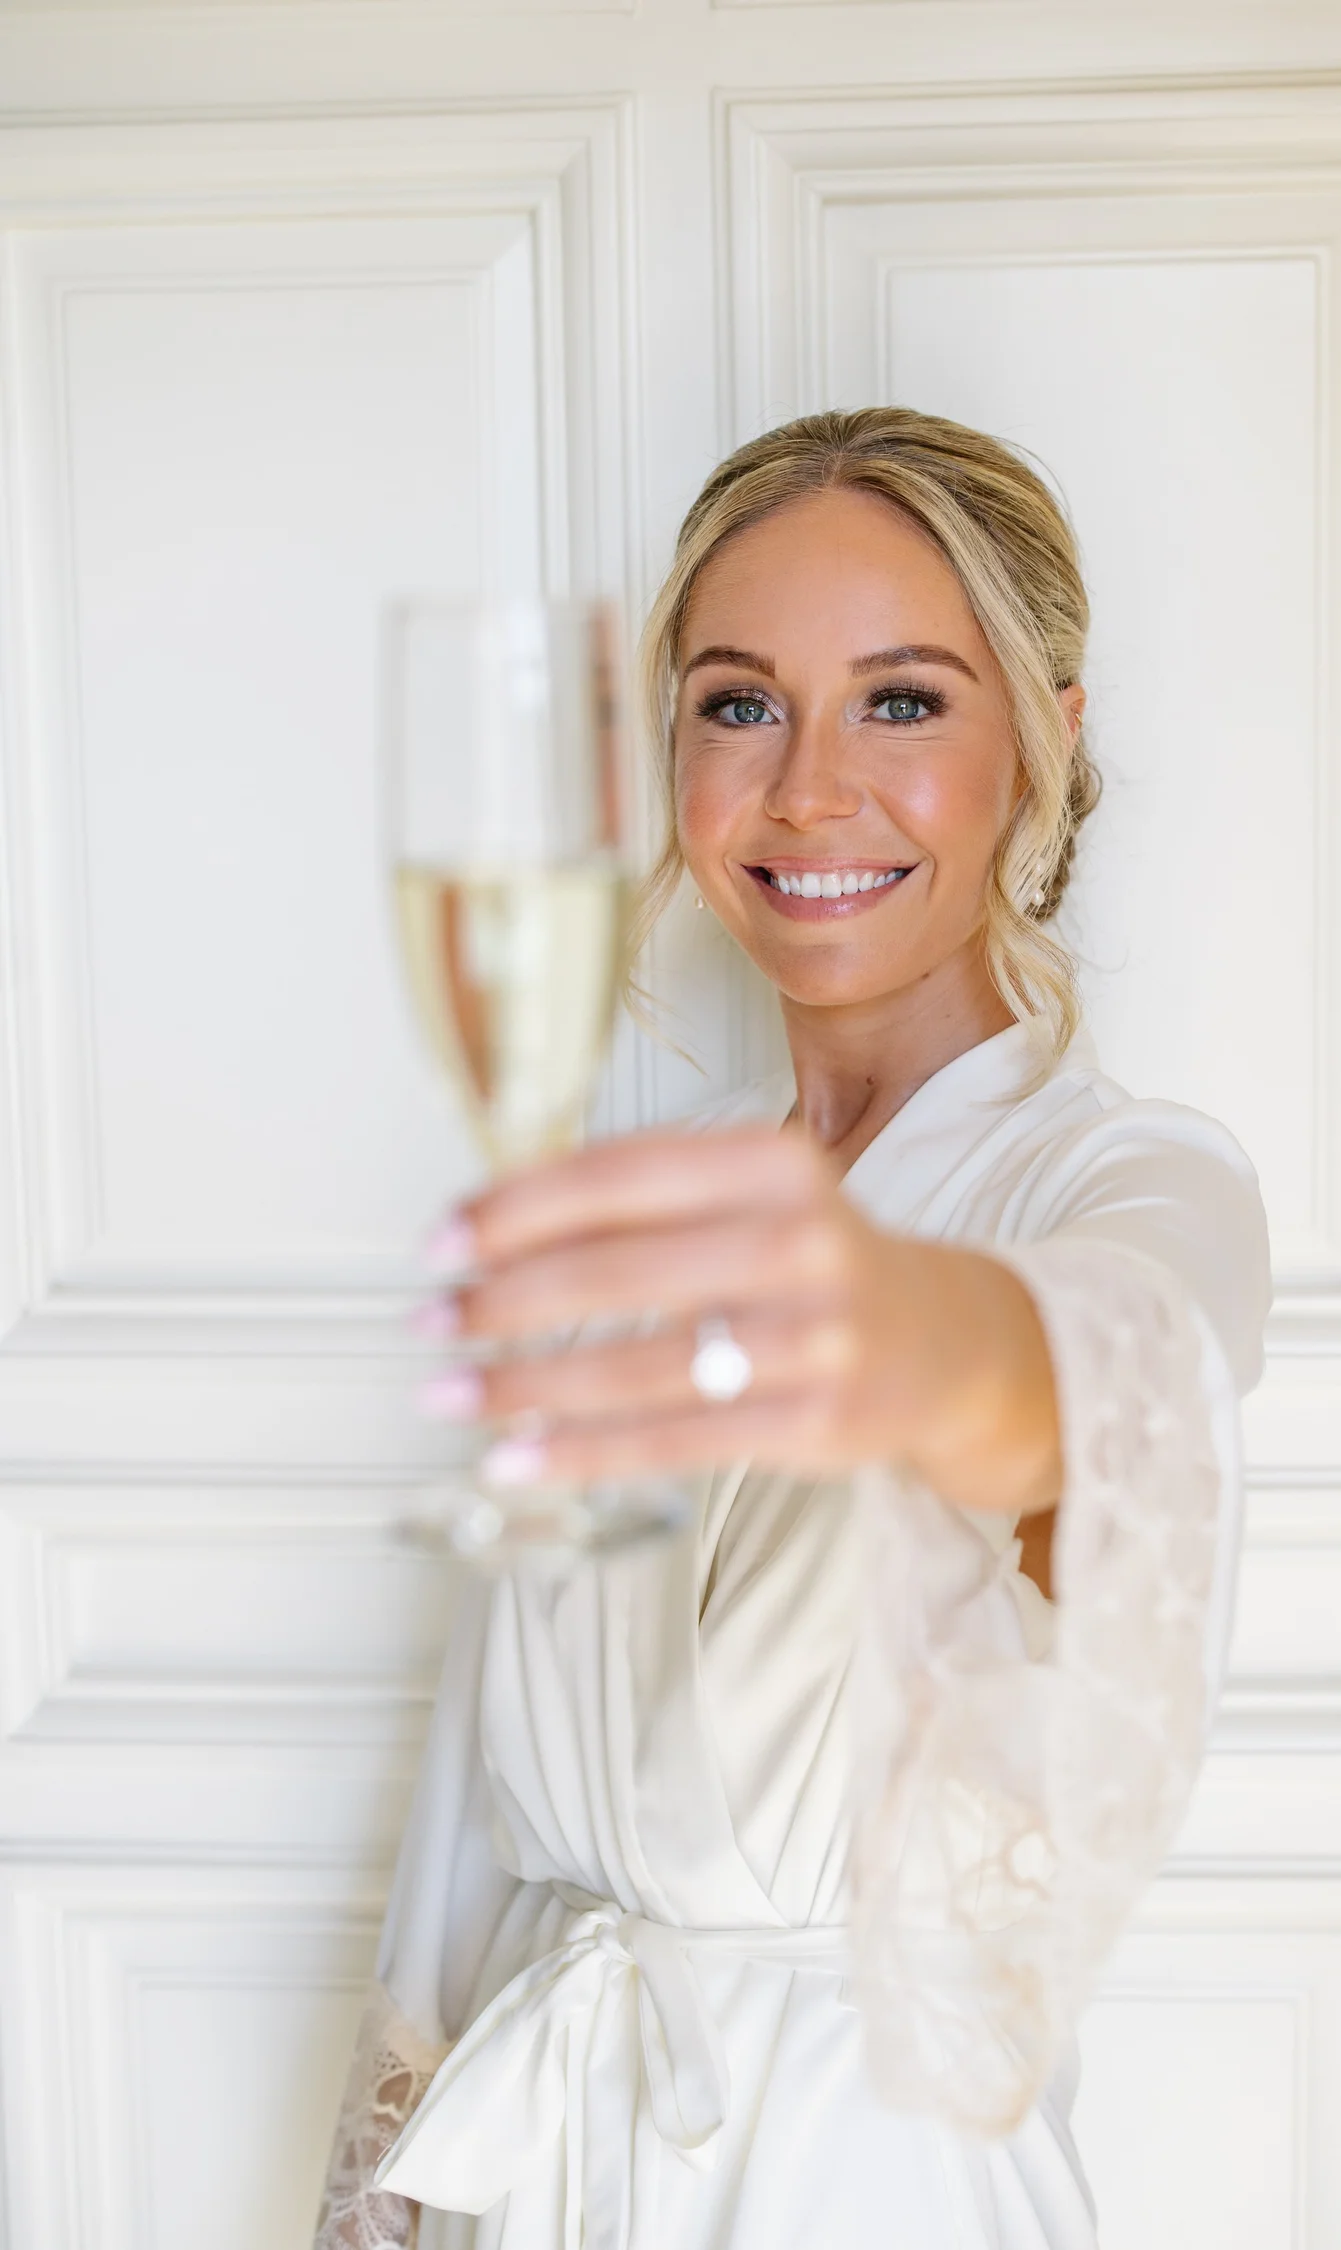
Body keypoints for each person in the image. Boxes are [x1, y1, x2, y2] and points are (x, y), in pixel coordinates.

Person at [315, 406, 1272, 2250]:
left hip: (870, 2185)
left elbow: (1093, 1371)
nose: (810, 788)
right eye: (740, 702)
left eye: (902, 701)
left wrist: (889, 1324)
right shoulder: (643, 1205)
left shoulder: (1138, 1184)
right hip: (546, 2167)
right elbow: (466, 1827)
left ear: (1045, 740)